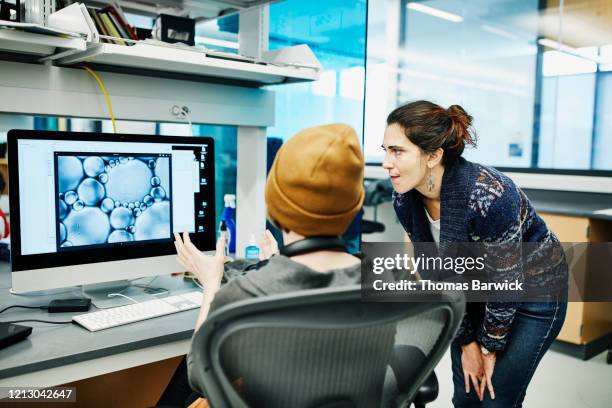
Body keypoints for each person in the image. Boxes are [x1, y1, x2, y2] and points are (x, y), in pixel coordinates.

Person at [160, 123, 365, 407]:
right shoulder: (391, 278)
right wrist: (276, 264)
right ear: (355, 204)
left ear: (276, 203)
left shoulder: (252, 292)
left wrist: (210, 283)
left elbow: (199, 375)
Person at [382, 100, 567, 407]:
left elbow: (507, 281)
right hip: (476, 292)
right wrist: (467, 341)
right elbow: (435, 272)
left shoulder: (489, 194)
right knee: (466, 397)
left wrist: (489, 348)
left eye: (397, 151)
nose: (386, 162)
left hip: (536, 291)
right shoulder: (405, 198)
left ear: (433, 155)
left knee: (496, 398)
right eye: (385, 149)